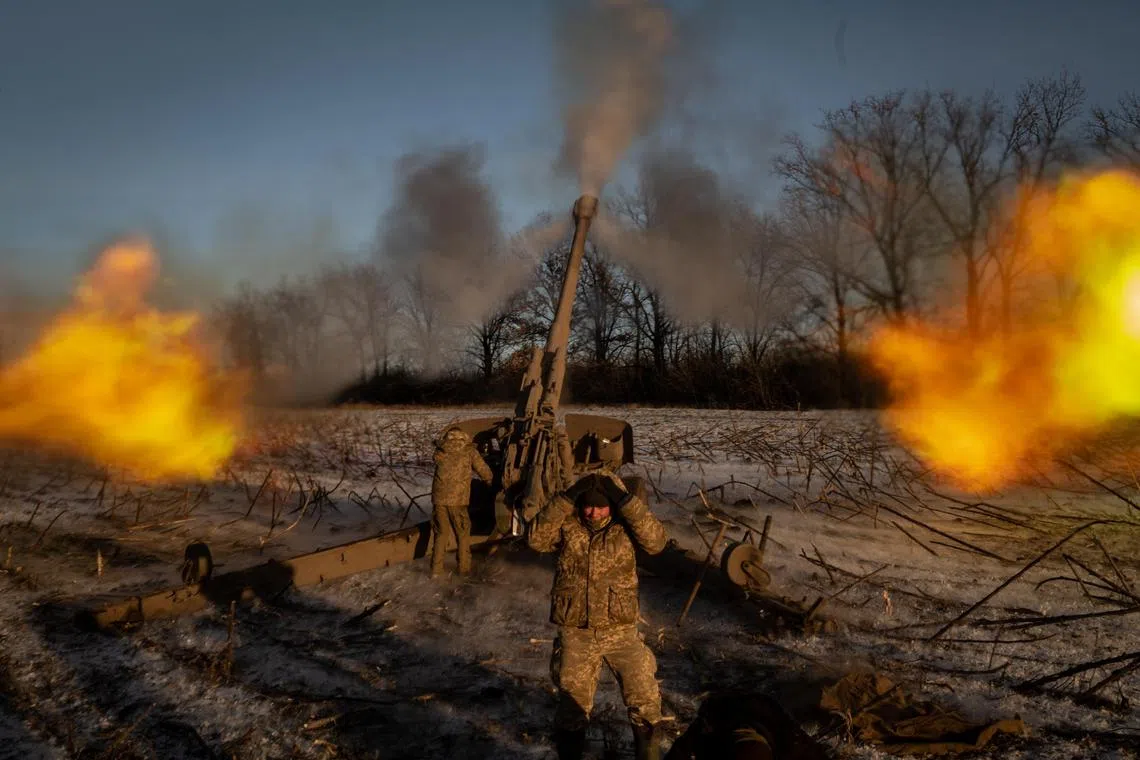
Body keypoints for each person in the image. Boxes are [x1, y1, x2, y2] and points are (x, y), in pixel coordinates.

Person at [528, 471, 669, 760]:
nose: (593, 513)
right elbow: (535, 539)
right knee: (572, 707)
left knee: (645, 700)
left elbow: (656, 542)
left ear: (613, 505)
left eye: (602, 506)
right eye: (588, 505)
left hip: (621, 633)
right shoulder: (569, 525)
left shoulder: (626, 526)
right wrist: (566, 498)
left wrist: (625, 500)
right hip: (576, 633)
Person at [430, 426, 493, 578]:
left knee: (441, 534)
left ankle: (435, 571)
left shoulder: (441, 450)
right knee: (463, 534)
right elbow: (484, 471)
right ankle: (464, 570)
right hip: (458, 500)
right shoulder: (469, 451)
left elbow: (438, 461)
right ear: (463, 436)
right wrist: (489, 480)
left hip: (439, 500)